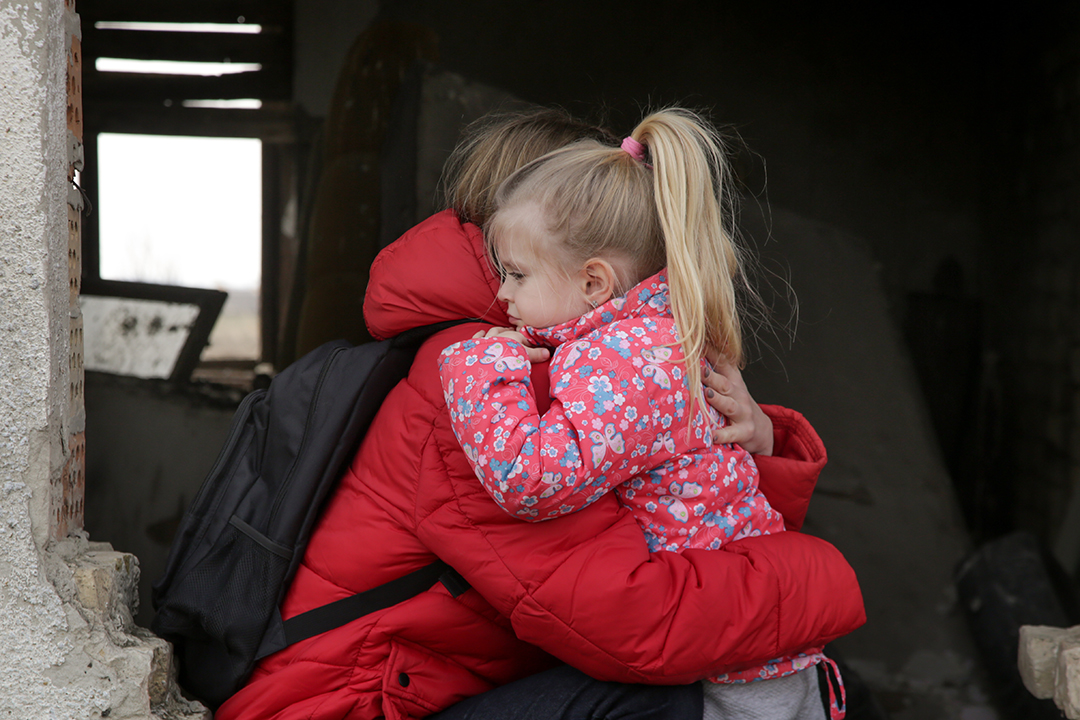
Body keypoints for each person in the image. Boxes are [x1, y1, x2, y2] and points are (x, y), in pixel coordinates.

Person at [213, 108, 864, 720]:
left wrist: (754, 434)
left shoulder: (558, 356)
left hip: (417, 694)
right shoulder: (476, 382)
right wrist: (817, 579)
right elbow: (634, 624)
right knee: (665, 706)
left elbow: (690, 515)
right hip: (348, 707)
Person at [436, 107, 846, 720]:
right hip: (733, 639)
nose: (503, 294)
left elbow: (533, 478)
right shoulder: (648, 338)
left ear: (595, 282)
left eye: (516, 274)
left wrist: (476, 371)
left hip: (733, 676)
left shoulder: (623, 363)